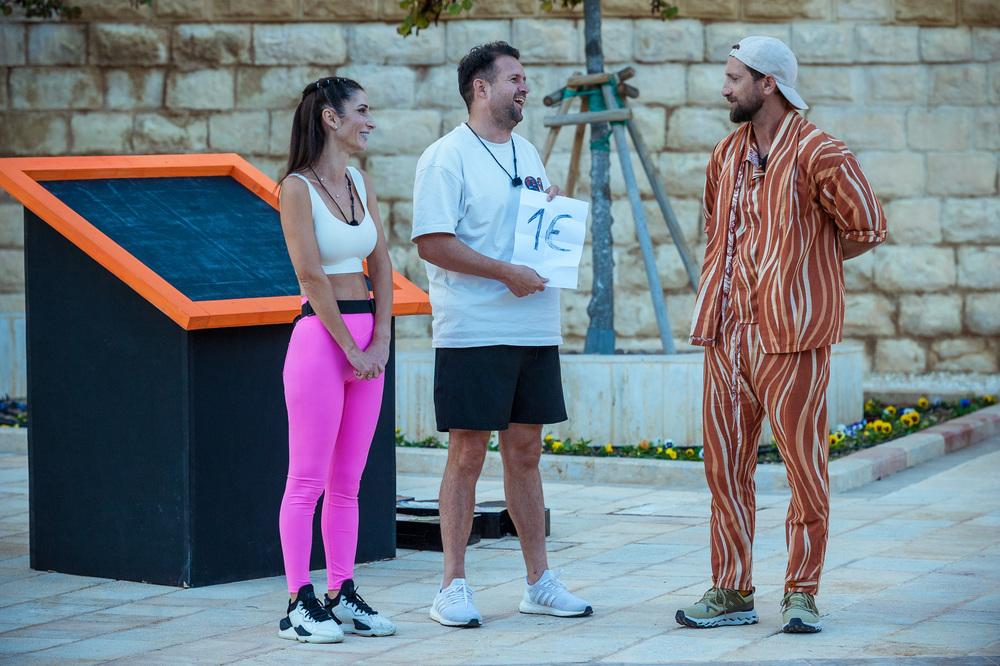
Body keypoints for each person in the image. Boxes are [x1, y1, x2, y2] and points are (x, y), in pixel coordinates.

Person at [675, 36, 886, 634]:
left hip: (792, 335)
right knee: (724, 469)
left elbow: (868, 226)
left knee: (804, 469)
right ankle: (732, 589)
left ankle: (801, 593)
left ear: (768, 83)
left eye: (734, 78)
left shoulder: (823, 152)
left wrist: (804, 269)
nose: (724, 88)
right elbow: (716, 228)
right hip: (725, 333)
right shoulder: (725, 154)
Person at [411, 42, 593, 628]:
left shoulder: (527, 151)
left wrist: (550, 211)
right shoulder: (445, 158)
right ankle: (451, 586)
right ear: (481, 88)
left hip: (534, 326)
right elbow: (432, 242)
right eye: (514, 78)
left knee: (526, 452)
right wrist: (504, 273)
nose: (525, 87)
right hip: (473, 330)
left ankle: (539, 582)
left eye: (524, 77)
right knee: (468, 453)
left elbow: (523, 224)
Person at [276, 76, 397, 643]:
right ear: (331, 118)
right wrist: (351, 348)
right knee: (307, 481)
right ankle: (299, 602)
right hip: (321, 341)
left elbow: (382, 264)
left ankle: (341, 592)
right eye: (362, 111)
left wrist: (381, 340)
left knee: (348, 482)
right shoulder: (295, 188)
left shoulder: (360, 182)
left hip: (368, 338)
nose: (370, 121)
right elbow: (310, 275)